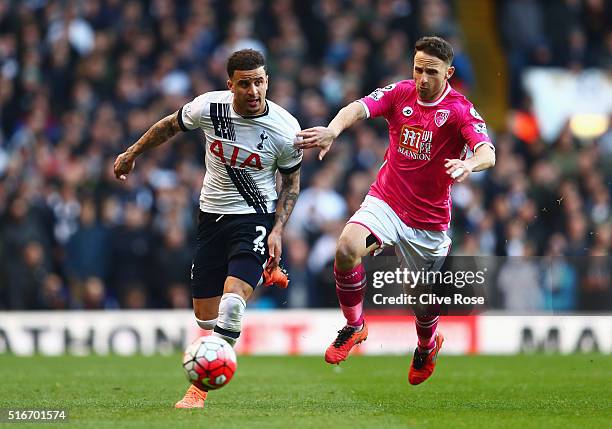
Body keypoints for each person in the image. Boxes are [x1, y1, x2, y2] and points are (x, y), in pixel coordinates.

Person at [295, 36, 495, 385]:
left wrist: (469, 166)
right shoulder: (401, 93)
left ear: (448, 73)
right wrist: (332, 129)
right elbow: (358, 107)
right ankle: (355, 325)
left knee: (420, 298)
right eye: (417, 69)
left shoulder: (460, 110)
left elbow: (487, 152)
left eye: (431, 72)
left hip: (428, 221)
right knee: (346, 248)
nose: (422, 78)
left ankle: (426, 346)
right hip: (386, 201)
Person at [113, 49, 302, 407]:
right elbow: (169, 125)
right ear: (230, 85)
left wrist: (278, 230)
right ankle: (256, 281)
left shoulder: (285, 128)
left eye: (259, 82)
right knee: (205, 318)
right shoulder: (209, 108)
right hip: (210, 218)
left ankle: (198, 389)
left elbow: (291, 184)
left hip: (254, 217)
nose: (253, 90)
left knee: (232, 306)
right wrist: (132, 152)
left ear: (268, 82)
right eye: (244, 83)